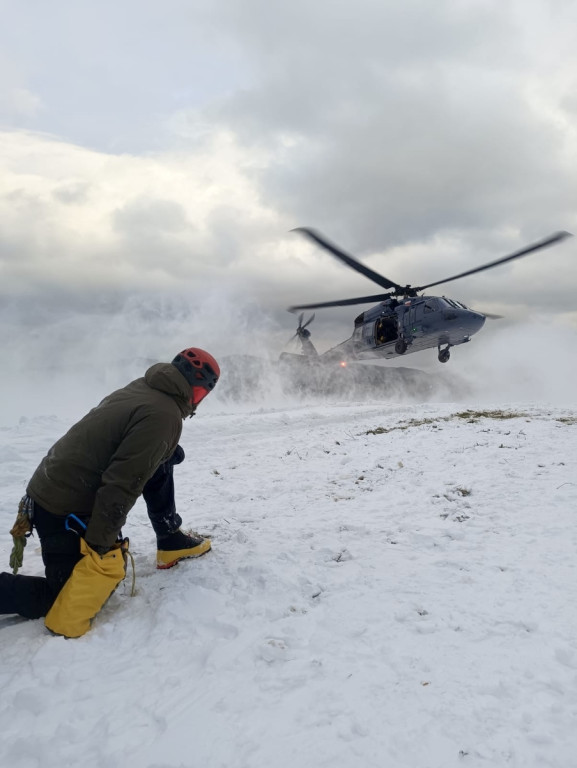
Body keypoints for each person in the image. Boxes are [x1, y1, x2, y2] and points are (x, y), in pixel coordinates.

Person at [0, 347, 220, 637]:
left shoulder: (144, 388)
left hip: (51, 490)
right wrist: (99, 546)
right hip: (61, 510)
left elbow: (128, 447)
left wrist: (167, 451)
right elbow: (121, 485)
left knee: (161, 457)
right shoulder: (164, 415)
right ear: (198, 390)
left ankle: (170, 538)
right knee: (67, 598)